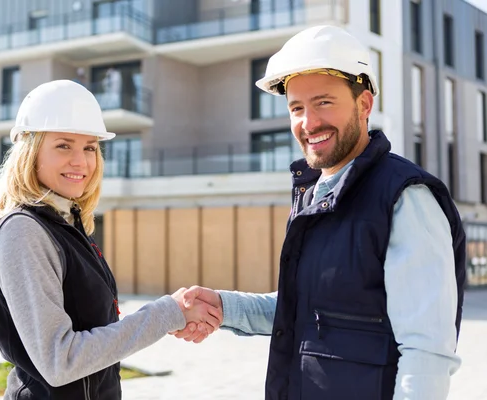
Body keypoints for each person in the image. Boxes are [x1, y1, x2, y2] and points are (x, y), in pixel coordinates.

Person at [171, 25, 467, 400]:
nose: (308, 123)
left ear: (364, 104)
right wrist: (225, 306)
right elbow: (312, 308)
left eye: (324, 102)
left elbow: (428, 353)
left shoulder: (406, 198)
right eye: (297, 108)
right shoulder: (315, 196)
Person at [0, 79, 220, 399]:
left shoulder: (68, 225)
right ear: (31, 151)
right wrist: (165, 314)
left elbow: (96, 336)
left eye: (90, 148)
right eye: (64, 145)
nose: (80, 161)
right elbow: (59, 360)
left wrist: (170, 317)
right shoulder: (23, 231)